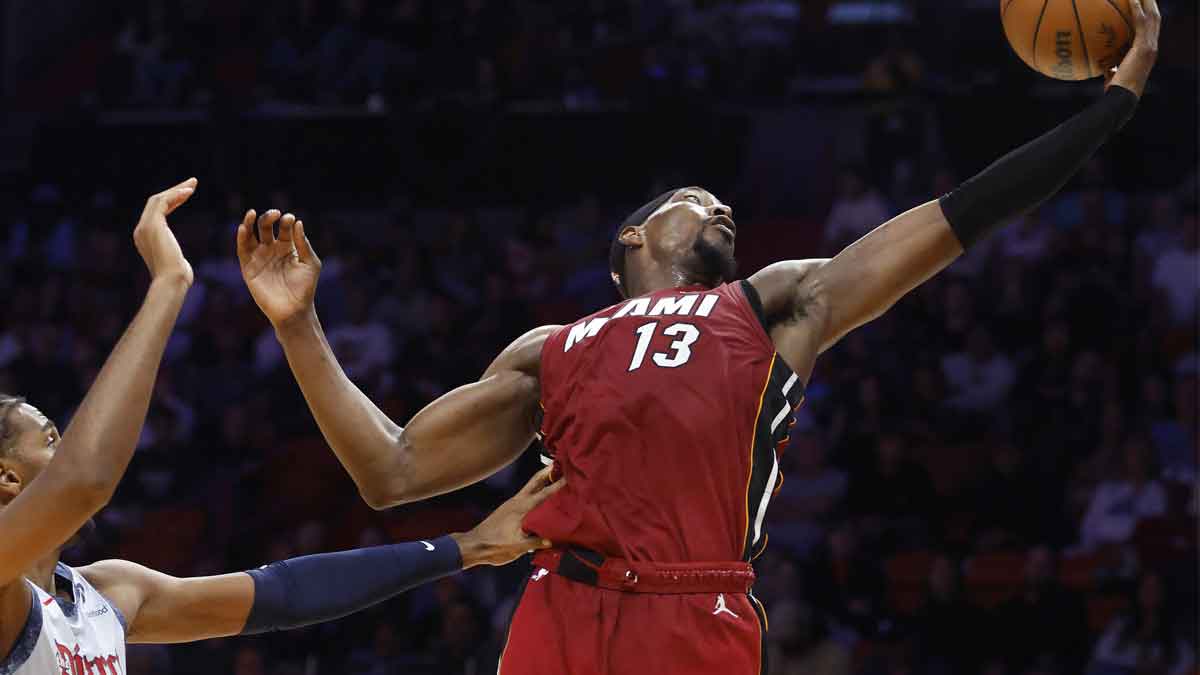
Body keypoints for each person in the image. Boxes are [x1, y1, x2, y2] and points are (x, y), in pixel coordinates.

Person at [237, 3, 1161, 672]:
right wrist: (302, 324)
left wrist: (1104, 113)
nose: (723, 204)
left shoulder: (774, 303)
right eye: (696, 198)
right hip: (560, 606)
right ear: (633, 238)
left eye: (723, 203)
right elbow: (390, 471)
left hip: (693, 610)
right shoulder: (550, 347)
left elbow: (954, 218)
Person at [0, 180, 560, 675]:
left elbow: (286, 594)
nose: (71, 444)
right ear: (6, 477)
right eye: (52, 439)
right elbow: (86, 478)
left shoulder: (109, 591)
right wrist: (169, 284)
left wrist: (467, 546)